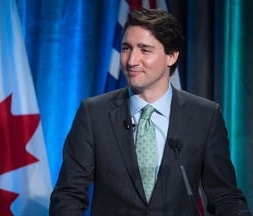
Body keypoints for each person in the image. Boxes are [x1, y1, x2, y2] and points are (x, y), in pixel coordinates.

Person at [50, 8, 251, 216]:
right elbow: (68, 195)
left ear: (171, 57)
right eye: (126, 48)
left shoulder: (205, 117)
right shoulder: (93, 114)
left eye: (144, 50)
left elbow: (225, 196)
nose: (131, 61)